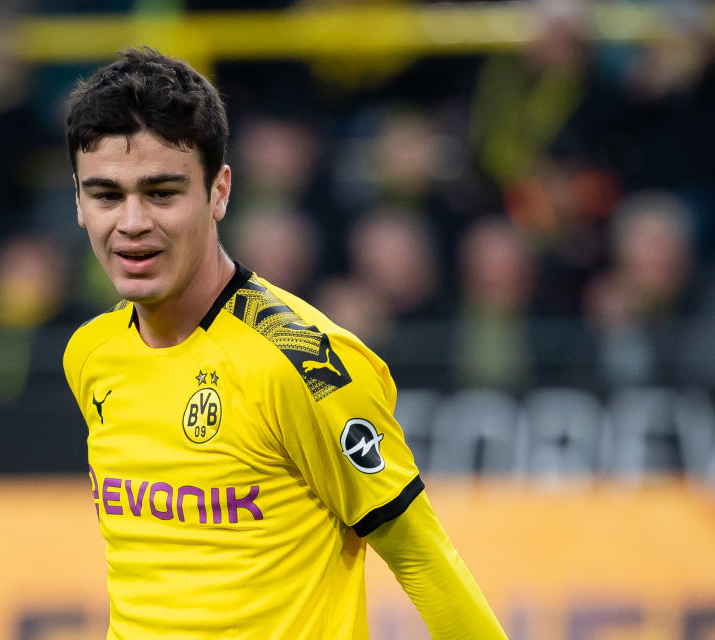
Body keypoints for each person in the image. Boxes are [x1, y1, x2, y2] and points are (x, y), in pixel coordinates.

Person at [62, 48, 507, 639]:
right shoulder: (90, 356)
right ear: (78, 201)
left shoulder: (304, 363)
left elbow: (425, 560)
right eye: (107, 195)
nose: (132, 222)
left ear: (219, 192)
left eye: (162, 192)